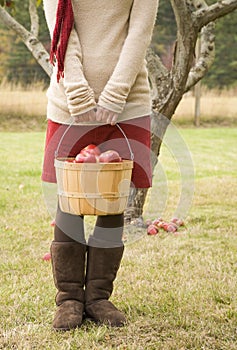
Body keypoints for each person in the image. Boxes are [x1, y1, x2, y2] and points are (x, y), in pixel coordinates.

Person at [42, 0, 159, 331]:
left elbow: (140, 31)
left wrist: (116, 93)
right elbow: (61, 29)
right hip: (70, 99)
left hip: (128, 99)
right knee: (71, 200)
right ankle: (69, 299)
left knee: (111, 200)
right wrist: (77, 92)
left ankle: (97, 297)